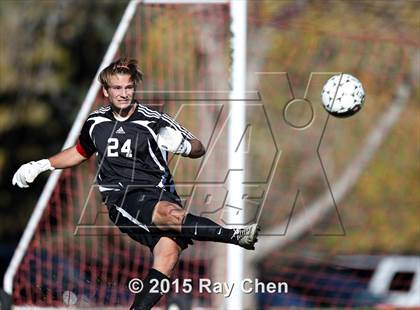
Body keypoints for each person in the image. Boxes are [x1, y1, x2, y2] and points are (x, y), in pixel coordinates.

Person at [12, 58, 260, 310]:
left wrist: (184, 146)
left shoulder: (153, 119)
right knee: (171, 215)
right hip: (122, 198)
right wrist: (41, 165)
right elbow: (79, 151)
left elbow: (198, 147)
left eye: (128, 87)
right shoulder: (96, 123)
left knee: (168, 255)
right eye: (117, 88)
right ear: (106, 92)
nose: (124, 93)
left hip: (160, 193)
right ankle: (236, 235)